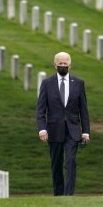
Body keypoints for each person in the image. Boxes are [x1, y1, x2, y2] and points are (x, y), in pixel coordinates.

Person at [36, 52, 90, 196]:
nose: (63, 66)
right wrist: (42, 129)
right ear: (55, 65)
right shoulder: (47, 83)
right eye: (60, 63)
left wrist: (85, 132)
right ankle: (59, 195)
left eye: (65, 63)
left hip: (73, 130)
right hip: (54, 129)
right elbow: (40, 109)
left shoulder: (78, 83)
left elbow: (83, 109)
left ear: (70, 65)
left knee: (71, 161)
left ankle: (69, 195)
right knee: (56, 164)